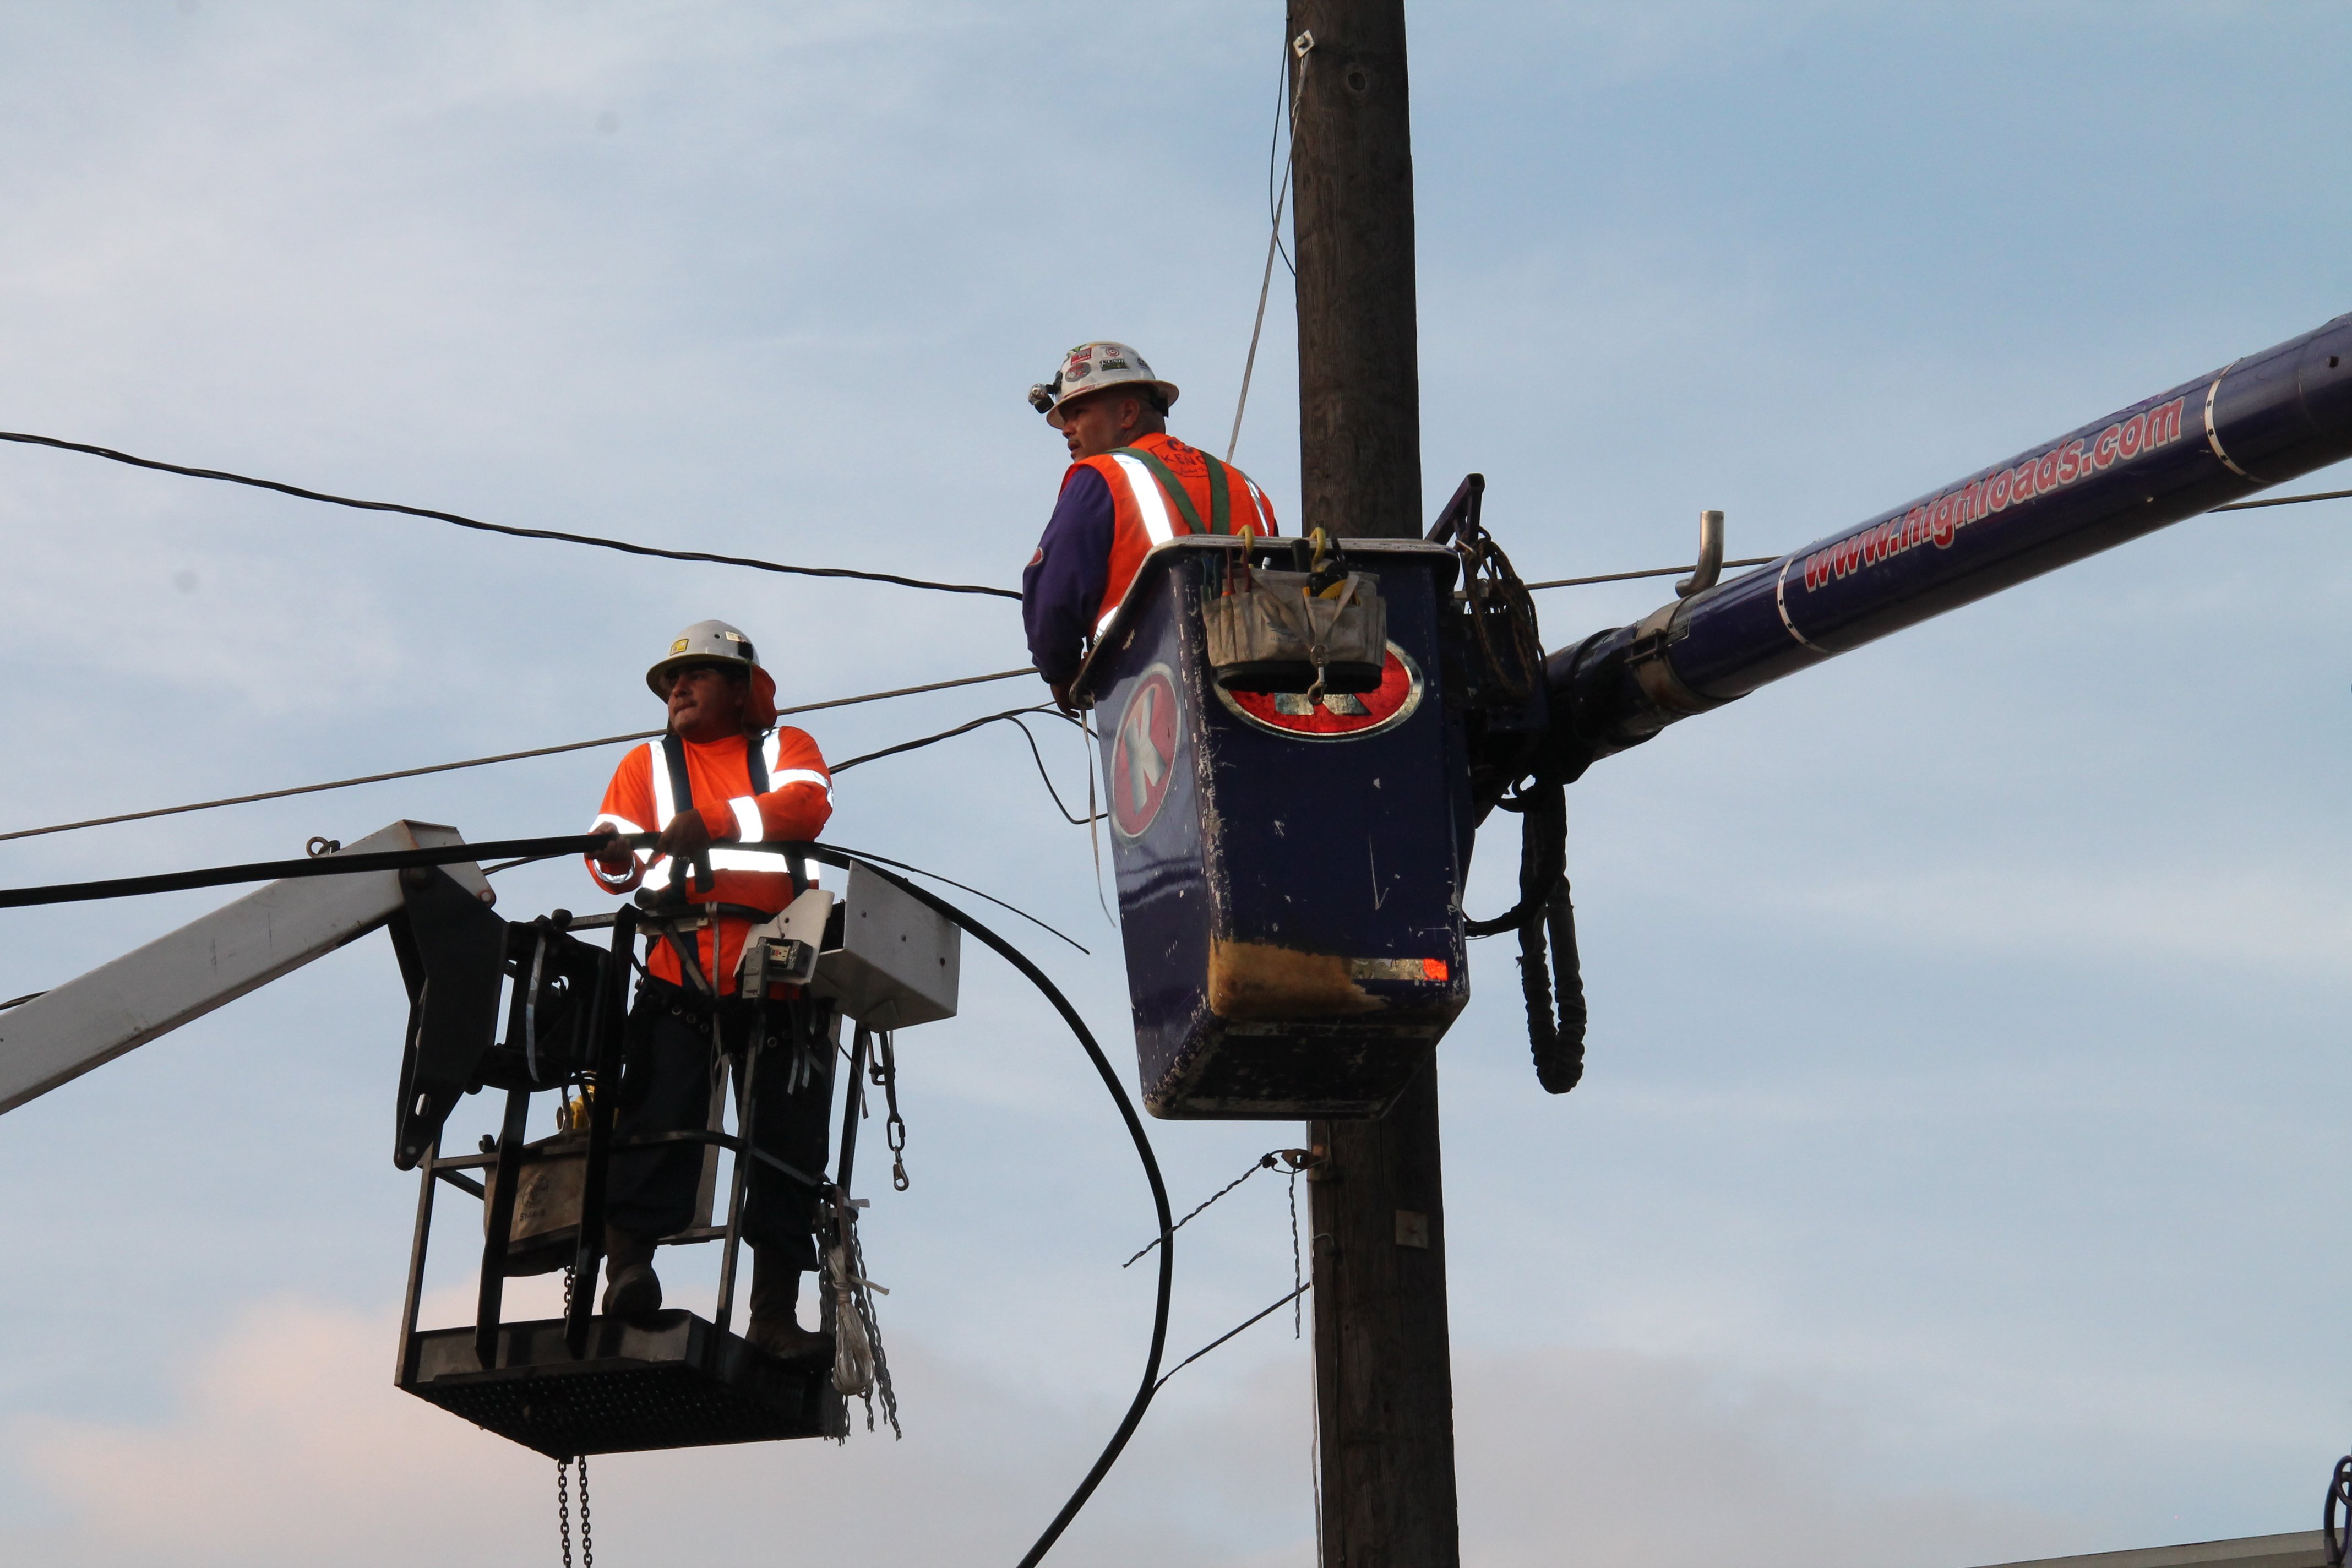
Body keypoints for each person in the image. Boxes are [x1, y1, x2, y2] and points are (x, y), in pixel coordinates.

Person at [584, 619, 836, 1361]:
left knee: (786, 1147)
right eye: (671, 682)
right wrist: (619, 862)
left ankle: (774, 1315)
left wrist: (713, 823)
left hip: (781, 966)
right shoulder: (645, 766)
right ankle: (629, 1269)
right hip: (680, 964)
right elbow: (610, 854)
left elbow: (806, 805)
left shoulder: (787, 751)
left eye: (695, 677)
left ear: (740, 689)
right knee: (659, 1114)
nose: (678, 690)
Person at [1021, 341, 1280, 711]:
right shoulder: (1245, 485)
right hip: (1258, 690)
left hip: (1147, 682)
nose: (1068, 429)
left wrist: (1061, 676)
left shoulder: (1103, 476)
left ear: (1127, 413)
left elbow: (1054, 591)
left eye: (1078, 412)